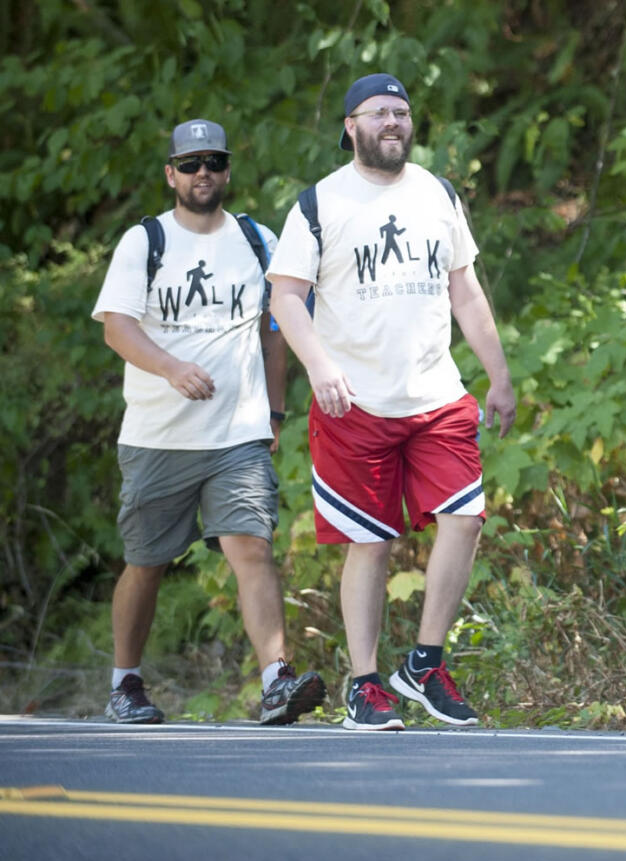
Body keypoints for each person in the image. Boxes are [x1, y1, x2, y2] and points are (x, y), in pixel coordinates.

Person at [267, 73, 516, 732]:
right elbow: (286, 295)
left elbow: (465, 290)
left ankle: (425, 665)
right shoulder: (319, 203)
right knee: (370, 543)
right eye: (378, 113)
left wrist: (499, 373)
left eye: (401, 113)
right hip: (357, 404)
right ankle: (365, 682)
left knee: (465, 518)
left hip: (436, 394)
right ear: (350, 125)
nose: (392, 123)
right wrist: (319, 366)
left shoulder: (438, 193)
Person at [93, 118, 327, 725]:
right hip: (157, 436)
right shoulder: (144, 241)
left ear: (227, 171)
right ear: (171, 173)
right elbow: (117, 326)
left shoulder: (258, 240)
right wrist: (171, 368)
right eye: (191, 164)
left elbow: (276, 331)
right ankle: (125, 684)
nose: (204, 174)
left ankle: (275, 681)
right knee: (147, 562)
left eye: (214, 162)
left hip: (237, 433)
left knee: (252, 545)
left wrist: (274, 411)